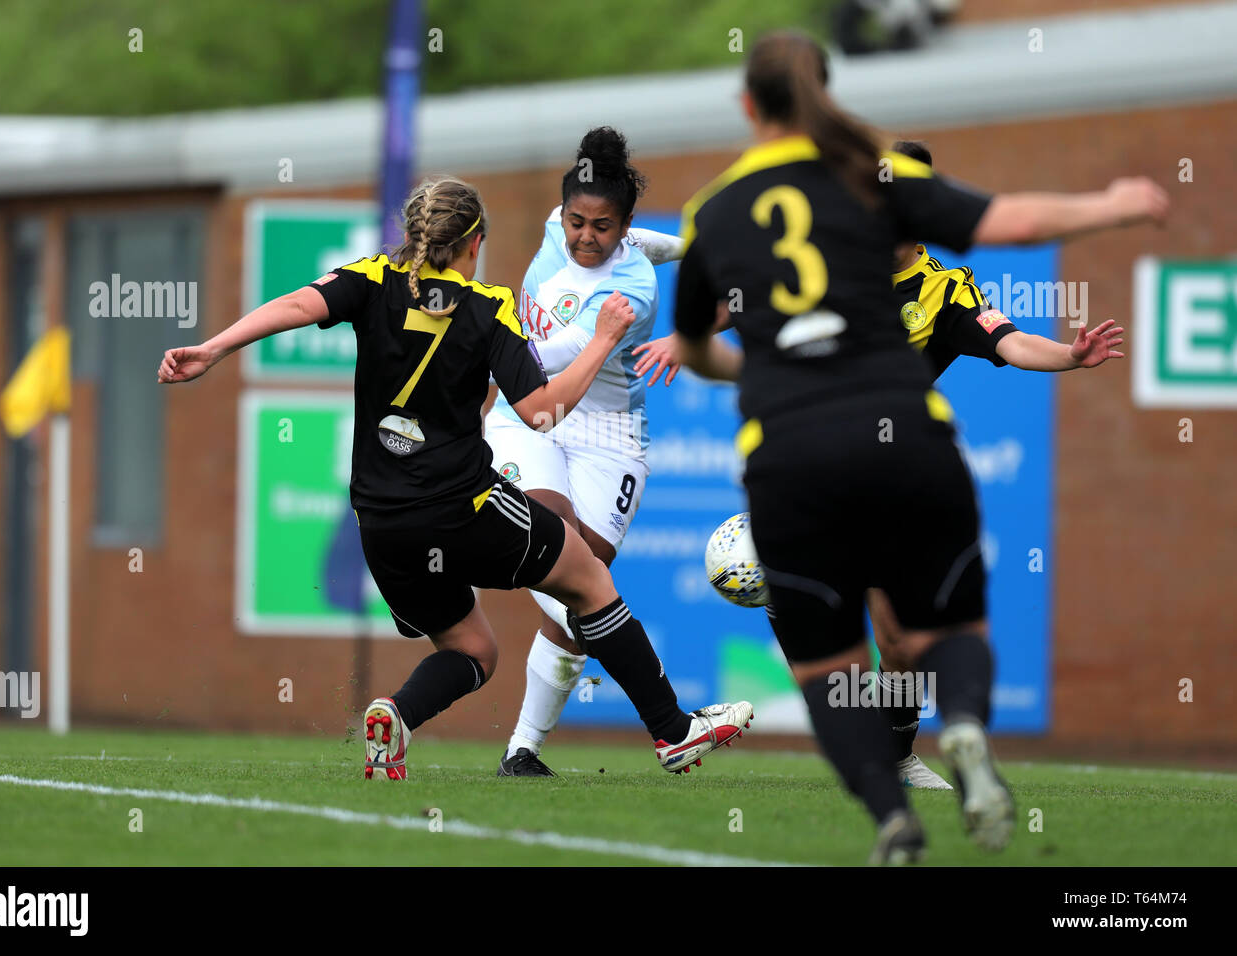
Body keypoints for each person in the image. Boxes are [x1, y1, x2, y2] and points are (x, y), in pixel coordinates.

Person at [669, 31, 1167, 862]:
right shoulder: (873, 188)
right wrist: (1112, 203)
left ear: (747, 106)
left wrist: (747, 363)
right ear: (827, 97)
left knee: (834, 663)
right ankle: (964, 724)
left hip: (790, 449)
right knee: (950, 626)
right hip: (906, 448)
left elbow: (694, 343)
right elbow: (1011, 219)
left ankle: (892, 812)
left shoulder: (723, 210)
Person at [157, 177, 752, 781]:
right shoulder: (487, 307)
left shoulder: (370, 281)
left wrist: (213, 348)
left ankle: (397, 714)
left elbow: (294, 305)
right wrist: (603, 341)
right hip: (464, 512)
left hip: (381, 528)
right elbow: (542, 413)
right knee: (590, 580)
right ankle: (674, 733)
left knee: (472, 650)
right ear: (475, 243)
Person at [631, 137, 1129, 793]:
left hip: (891, 475)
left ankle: (898, 759)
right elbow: (751, 295)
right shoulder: (835, 251)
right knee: (820, 610)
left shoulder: (943, 290)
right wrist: (688, 335)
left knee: (899, 643)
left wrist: (1068, 354)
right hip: (807, 455)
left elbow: (1006, 338)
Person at [484, 128, 681, 777]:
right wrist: (689, 247)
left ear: (620, 228)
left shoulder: (632, 292)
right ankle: (672, 721)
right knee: (563, 563)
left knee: (580, 592)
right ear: (561, 213)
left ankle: (522, 751)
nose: (585, 237)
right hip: (529, 419)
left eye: (602, 227)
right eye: (576, 221)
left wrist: (477, 350)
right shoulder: (553, 227)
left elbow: (551, 356)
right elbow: (650, 241)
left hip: (607, 435)